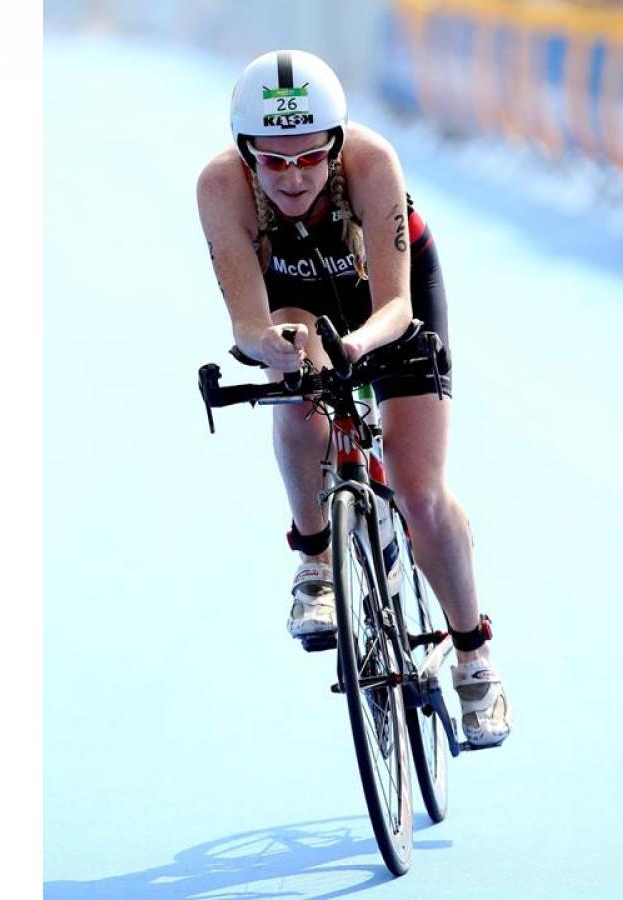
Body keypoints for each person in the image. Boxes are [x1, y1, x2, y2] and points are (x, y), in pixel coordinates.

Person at [196, 50, 512, 747]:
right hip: (299, 307)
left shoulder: (373, 163)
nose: (293, 176)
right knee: (294, 374)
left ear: (336, 145)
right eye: (271, 162)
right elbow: (247, 323)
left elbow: (398, 306)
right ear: (245, 153)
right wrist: (276, 347)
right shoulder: (219, 186)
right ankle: (315, 558)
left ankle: (473, 657)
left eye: (309, 157)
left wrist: (362, 346)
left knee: (418, 486)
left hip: (386, 299)